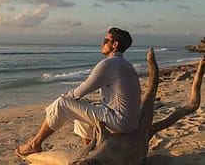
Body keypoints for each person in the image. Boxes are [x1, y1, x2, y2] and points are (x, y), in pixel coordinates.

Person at [15, 27, 141, 157]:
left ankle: (34, 145)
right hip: (130, 121)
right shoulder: (127, 65)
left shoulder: (108, 64)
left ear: (114, 44)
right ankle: (91, 152)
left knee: (62, 103)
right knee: (80, 114)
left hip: (118, 120)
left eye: (105, 40)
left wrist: (67, 96)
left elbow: (83, 89)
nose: (102, 44)